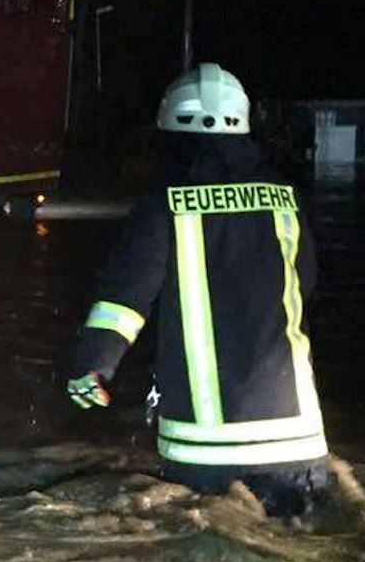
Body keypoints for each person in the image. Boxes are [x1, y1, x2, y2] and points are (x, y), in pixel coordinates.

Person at [65, 63, 330, 516]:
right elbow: (304, 285)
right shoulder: (285, 198)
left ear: (171, 132)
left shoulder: (164, 206)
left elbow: (125, 300)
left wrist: (92, 366)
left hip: (205, 450)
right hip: (298, 440)